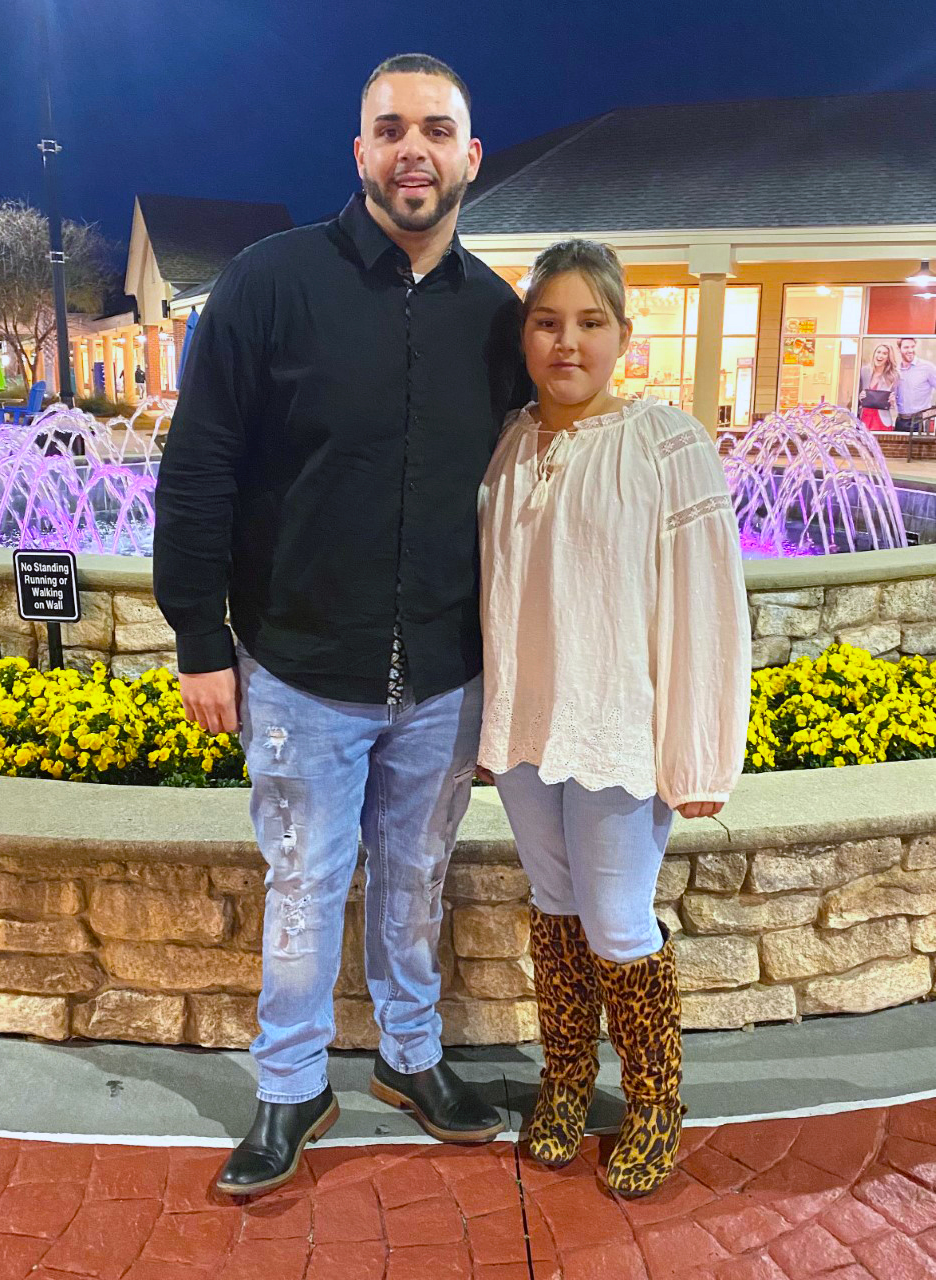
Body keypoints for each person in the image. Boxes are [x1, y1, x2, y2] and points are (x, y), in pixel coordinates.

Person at [153, 53, 528, 1197]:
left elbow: (537, 476)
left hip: (445, 676)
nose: (411, 148)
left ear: (469, 157)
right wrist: (201, 639)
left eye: (435, 129)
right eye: (388, 128)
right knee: (305, 887)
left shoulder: (496, 317)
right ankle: (289, 1085)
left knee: (415, 881)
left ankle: (413, 1061)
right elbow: (199, 469)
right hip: (302, 668)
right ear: (359, 151)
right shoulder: (266, 286)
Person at [477, 240, 751, 1199]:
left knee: (616, 918)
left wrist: (701, 752)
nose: (567, 341)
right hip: (526, 726)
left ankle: (654, 1099)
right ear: (524, 336)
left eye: (590, 322)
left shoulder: (665, 442)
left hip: (616, 730)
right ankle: (564, 1079)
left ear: (623, 336)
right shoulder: (509, 442)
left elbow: (706, 603)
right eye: (547, 321)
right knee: (553, 909)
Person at [894, 337, 936, 433]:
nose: (910, 350)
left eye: (913, 347)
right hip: (900, 420)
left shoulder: (927, 368)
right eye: (906, 347)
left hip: (920, 421)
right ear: (899, 349)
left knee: (918, 448)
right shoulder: (896, 370)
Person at [858, 342, 899, 431]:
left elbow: (898, 403)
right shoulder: (864, 371)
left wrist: (893, 402)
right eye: (878, 352)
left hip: (882, 420)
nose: (880, 355)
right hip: (864, 418)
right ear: (874, 354)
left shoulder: (893, 376)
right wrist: (860, 397)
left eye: (884, 354)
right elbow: (854, 395)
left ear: (888, 358)